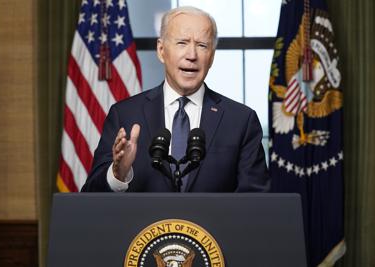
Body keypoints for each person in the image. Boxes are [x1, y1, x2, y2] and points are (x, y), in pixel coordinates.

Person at [81, 6, 270, 192]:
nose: (192, 55)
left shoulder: (241, 121)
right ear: (161, 50)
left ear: (211, 57)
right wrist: (117, 174)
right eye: (182, 43)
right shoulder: (125, 115)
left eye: (202, 45)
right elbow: (91, 197)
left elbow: (256, 204)